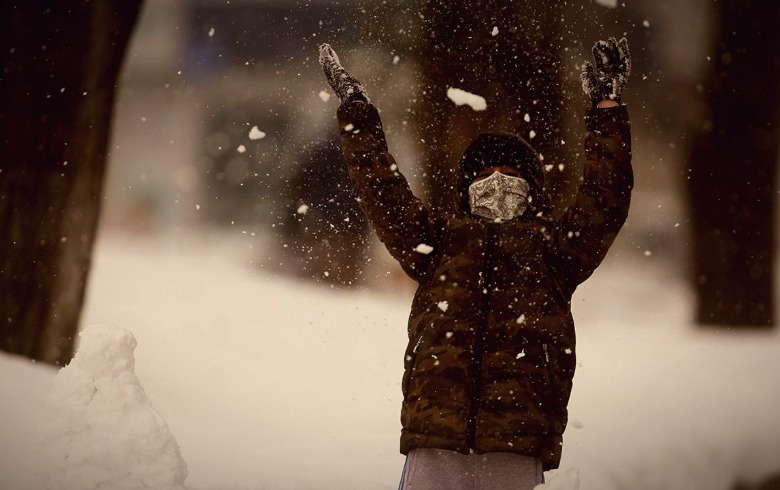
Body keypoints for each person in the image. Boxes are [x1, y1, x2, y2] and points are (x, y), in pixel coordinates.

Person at [319, 37, 632, 489]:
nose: (497, 183)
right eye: (484, 175)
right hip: (436, 439)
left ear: (532, 189)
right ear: (466, 189)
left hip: (517, 442)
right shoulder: (437, 242)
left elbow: (606, 198)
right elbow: (384, 194)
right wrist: (357, 116)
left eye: (510, 175)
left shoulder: (555, 252)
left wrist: (606, 109)